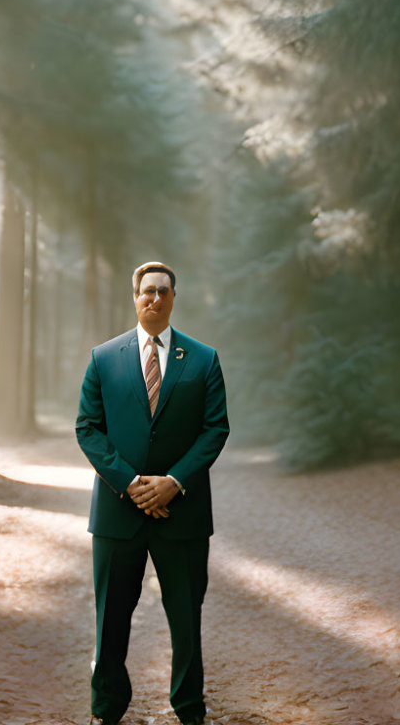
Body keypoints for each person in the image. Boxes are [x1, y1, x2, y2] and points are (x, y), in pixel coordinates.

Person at [75, 261, 230, 725]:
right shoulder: (104, 358)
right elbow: (87, 428)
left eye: (163, 291)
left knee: (186, 620)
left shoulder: (203, 359)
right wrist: (131, 484)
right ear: (135, 297)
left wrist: (172, 482)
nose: (155, 299)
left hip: (181, 513)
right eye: (147, 291)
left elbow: (214, 429)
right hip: (118, 515)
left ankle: (188, 708)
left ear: (173, 298)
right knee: (111, 620)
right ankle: (106, 710)